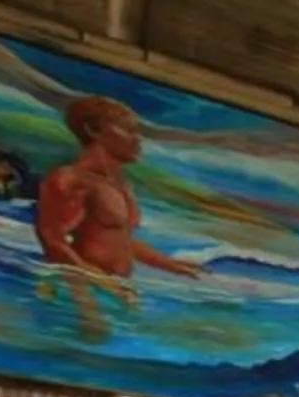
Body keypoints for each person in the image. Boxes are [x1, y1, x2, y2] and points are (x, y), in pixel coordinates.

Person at [34, 95, 197, 285]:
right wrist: (97, 280)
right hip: (79, 289)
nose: (138, 140)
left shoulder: (122, 185)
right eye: (128, 131)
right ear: (93, 130)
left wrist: (167, 263)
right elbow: (52, 240)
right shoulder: (71, 179)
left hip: (114, 288)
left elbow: (118, 240)